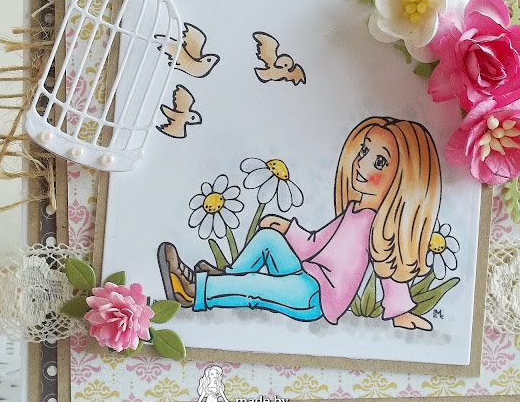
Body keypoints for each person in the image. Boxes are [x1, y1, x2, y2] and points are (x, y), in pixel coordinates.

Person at [158, 116, 442, 331]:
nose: (361, 163)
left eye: (379, 162)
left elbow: (390, 268)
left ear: (405, 179)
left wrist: (400, 312)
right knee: (268, 239)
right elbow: (316, 243)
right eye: (364, 151)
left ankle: (195, 292)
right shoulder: (354, 212)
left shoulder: (381, 226)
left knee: (257, 287)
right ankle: (228, 276)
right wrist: (287, 229)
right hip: (306, 275)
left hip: (315, 297)